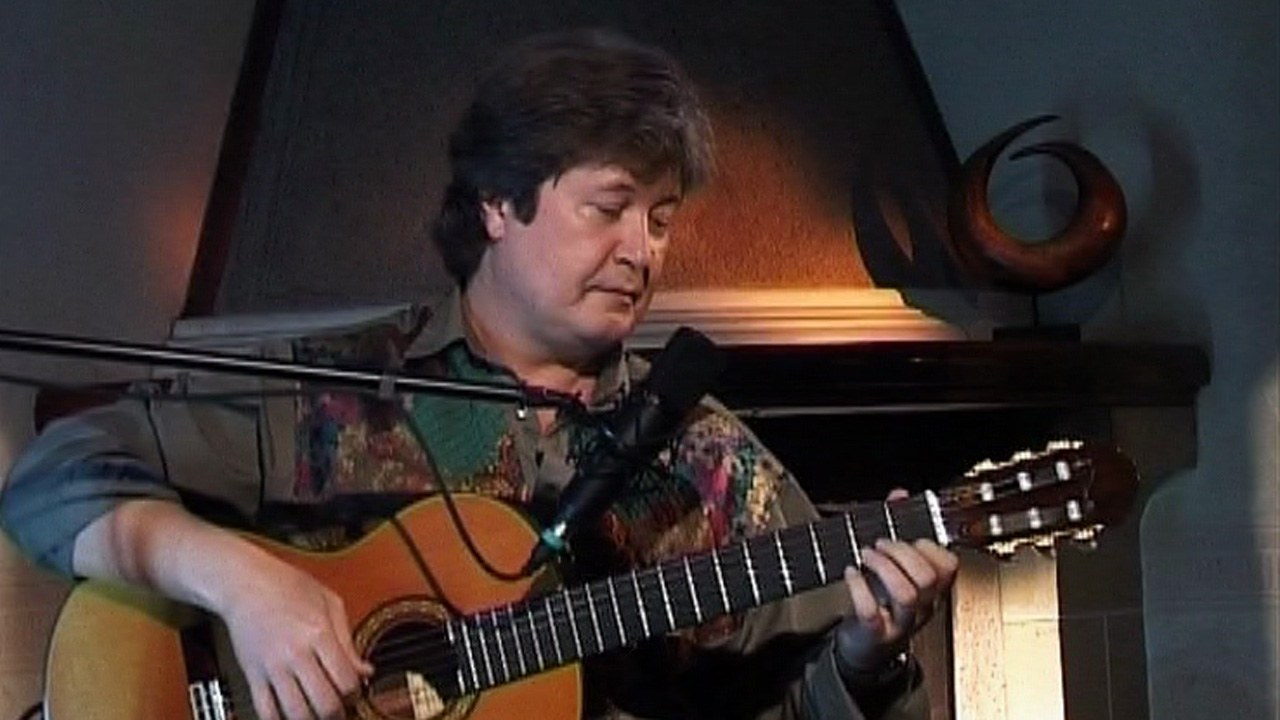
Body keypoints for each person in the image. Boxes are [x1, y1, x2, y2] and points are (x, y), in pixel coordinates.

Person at [0, 29, 957, 720]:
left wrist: (868, 660)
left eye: (661, 219)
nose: (642, 251)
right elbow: (54, 475)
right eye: (610, 208)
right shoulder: (345, 391)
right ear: (500, 202)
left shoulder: (710, 463)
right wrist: (242, 582)